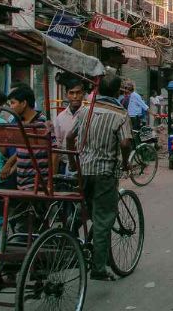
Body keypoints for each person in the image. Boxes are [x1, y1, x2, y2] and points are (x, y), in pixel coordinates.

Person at [67, 70, 132, 281]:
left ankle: (66, 243)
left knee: (80, 212)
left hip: (83, 170)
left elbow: (69, 137)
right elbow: (124, 142)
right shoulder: (121, 114)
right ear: (117, 92)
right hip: (104, 172)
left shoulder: (86, 110)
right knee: (103, 219)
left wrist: (72, 163)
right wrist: (125, 162)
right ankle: (98, 268)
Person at [0, 84, 55, 191]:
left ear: (24, 103)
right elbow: (24, 148)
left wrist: (50, 183)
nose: (11, 107)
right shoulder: (20, 123)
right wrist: (9, 164)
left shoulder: (43, 122)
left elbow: (55, 152)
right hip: (21, 183)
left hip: (37, 184)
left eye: (13, 103)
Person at [55, 77, 87, 175]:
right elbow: (57, 143)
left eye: (78, 93)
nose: (75, 96)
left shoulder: (89, 115)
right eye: (71, 93)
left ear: (83, 94)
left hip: (84, 165)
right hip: (64, 165)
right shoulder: (60, 117)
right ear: (66, 95)